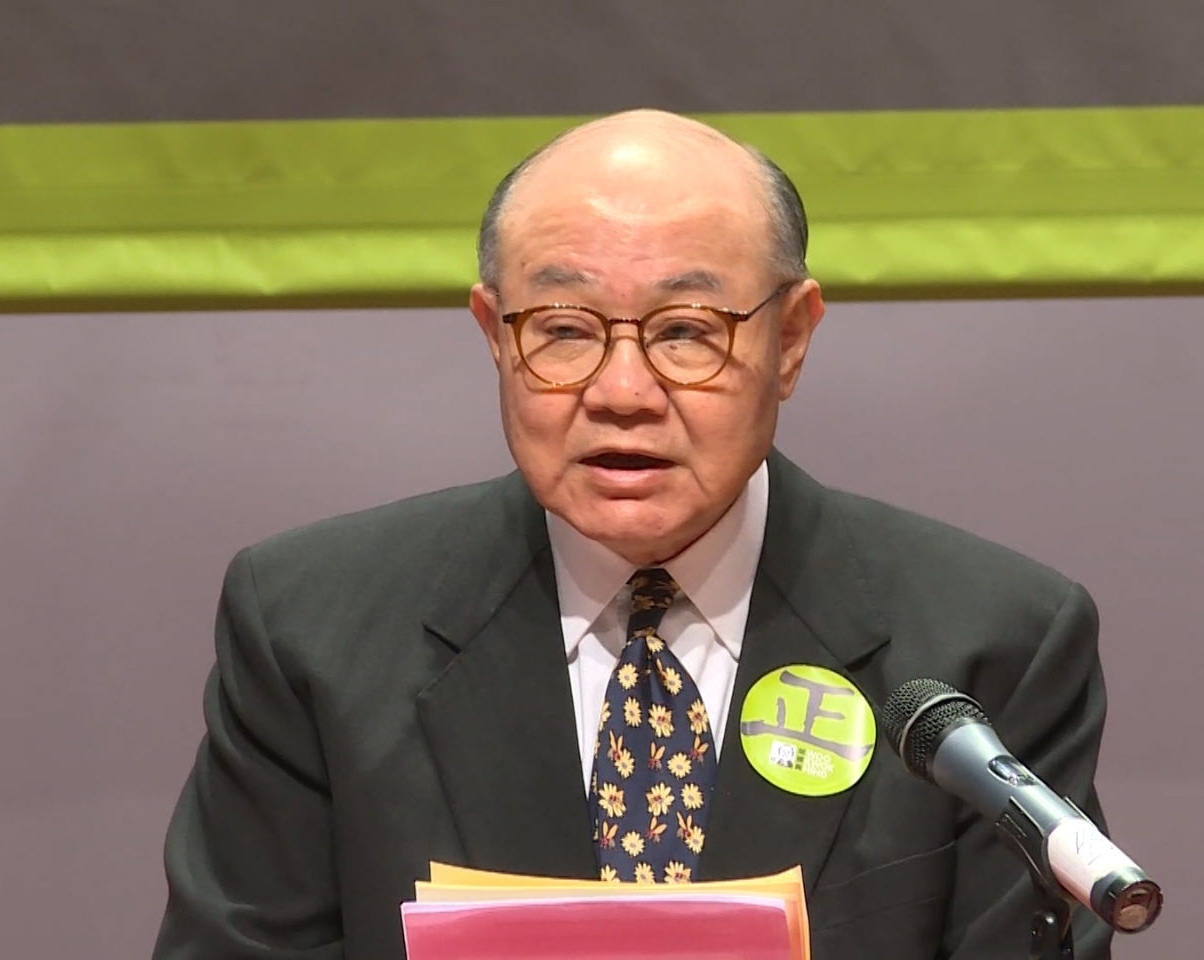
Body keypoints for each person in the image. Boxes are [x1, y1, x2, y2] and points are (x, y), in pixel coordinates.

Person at [153, 110, 1113, 959]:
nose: (622, 392)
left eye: (687, 330)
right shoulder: (312, 632)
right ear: (494, 333)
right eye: (563, 328)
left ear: (791, 339)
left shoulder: (991, 643)